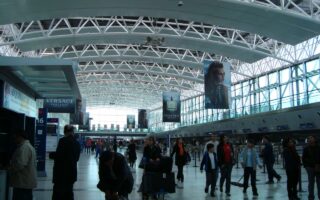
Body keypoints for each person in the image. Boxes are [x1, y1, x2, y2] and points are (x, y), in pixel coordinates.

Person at [52, 125, 81, 200]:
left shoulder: (62, 141)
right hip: (71, 173)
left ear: (65, 132)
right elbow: (77, 158)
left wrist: (51, 155)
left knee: (58, 194)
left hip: (61, 173)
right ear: (72, 132)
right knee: (69, 192)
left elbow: (59, 155)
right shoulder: (77, 143)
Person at [8, 130, 37, 200]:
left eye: (15, 137)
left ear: (20, 137)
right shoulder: (27, 146)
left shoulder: (24, 148)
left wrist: (10, 168)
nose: (14, 140)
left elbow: (20, 164)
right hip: (25, 182)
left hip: (22, 182)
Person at [302, 136, 320, 200]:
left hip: (318, 166)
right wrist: (306, 167)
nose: (310, 139)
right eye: (308, 138)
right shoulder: (306, 148)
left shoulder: (318, 147)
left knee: (319, 182)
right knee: (311, 182)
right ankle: (311, 196)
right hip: (310, 167)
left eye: (311, 138)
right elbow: (304, 158)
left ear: (314, 139)